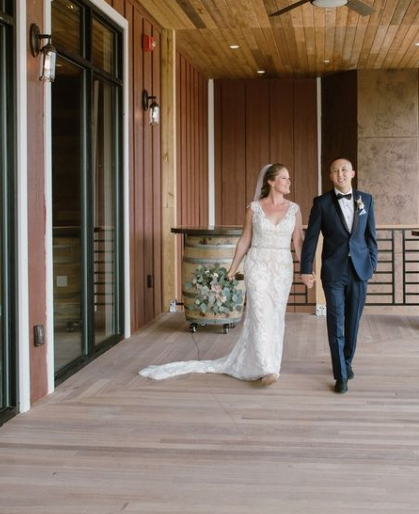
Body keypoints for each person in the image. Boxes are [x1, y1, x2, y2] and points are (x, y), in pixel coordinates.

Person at [140, 164, 303, 384]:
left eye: (288, 178)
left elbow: (298, 241)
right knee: (259, 313)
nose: (288, 181)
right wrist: (233, 268)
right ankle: (267, 368)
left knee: (275, 314)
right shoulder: (255, 208)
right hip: (257, 265)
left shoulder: (294, 209)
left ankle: (270, 362)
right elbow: (245, 239)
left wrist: (307, 269)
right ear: (271, 181)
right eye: (284, 178)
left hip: (282, 268)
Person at [300, 158, 378, 394]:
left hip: (359, 270)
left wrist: (372, 262)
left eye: (344, 170)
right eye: (335, 171)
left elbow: (371, 235)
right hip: (333, 272)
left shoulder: (366, 199)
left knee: (353, 321)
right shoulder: (321, 203)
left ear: (352, 173)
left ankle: (347, 361)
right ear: (330, 176)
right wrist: (306, 269)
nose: (340, 174)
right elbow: (311, 238)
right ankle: (340, 375)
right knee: (335, 321)